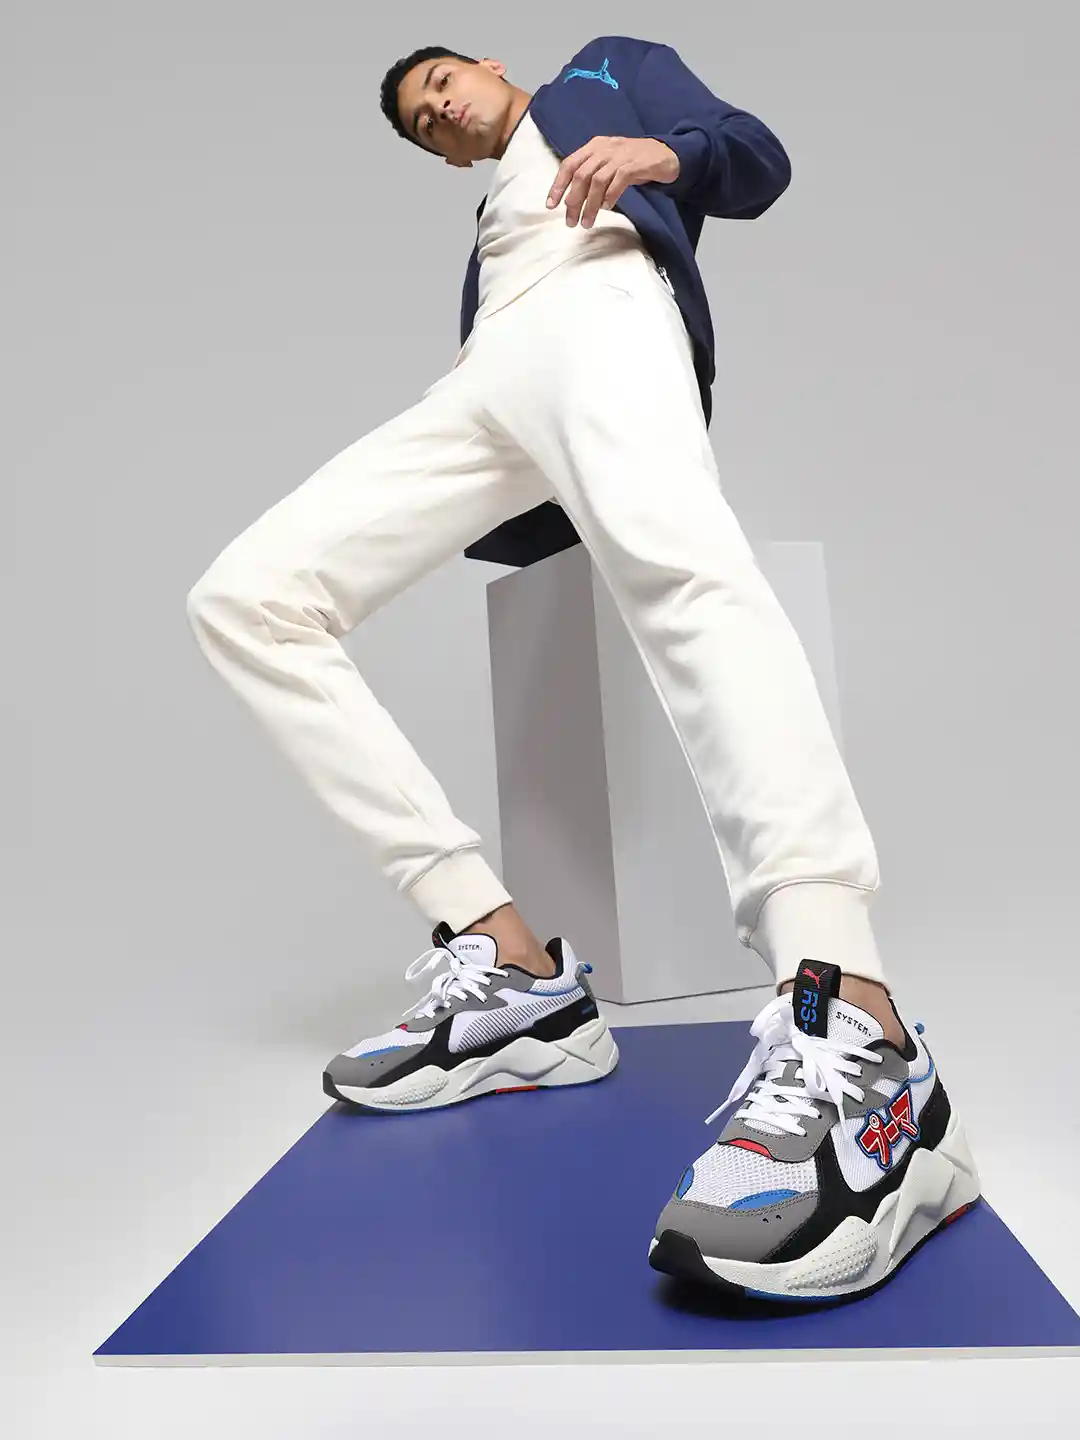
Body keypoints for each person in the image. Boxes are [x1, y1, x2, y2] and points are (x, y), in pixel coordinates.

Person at [185, 35, 980, 1302]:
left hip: (606, 303)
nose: (439, 111)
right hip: (486, 379)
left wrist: (661, 153)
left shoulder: (603, 77)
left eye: (440, 84)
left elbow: (755, 155)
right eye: (421, 123)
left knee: (685, 576)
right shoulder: (485, 232)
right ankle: (511, 970)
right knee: (247, 599)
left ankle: (859, 1026)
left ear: (489, 65)